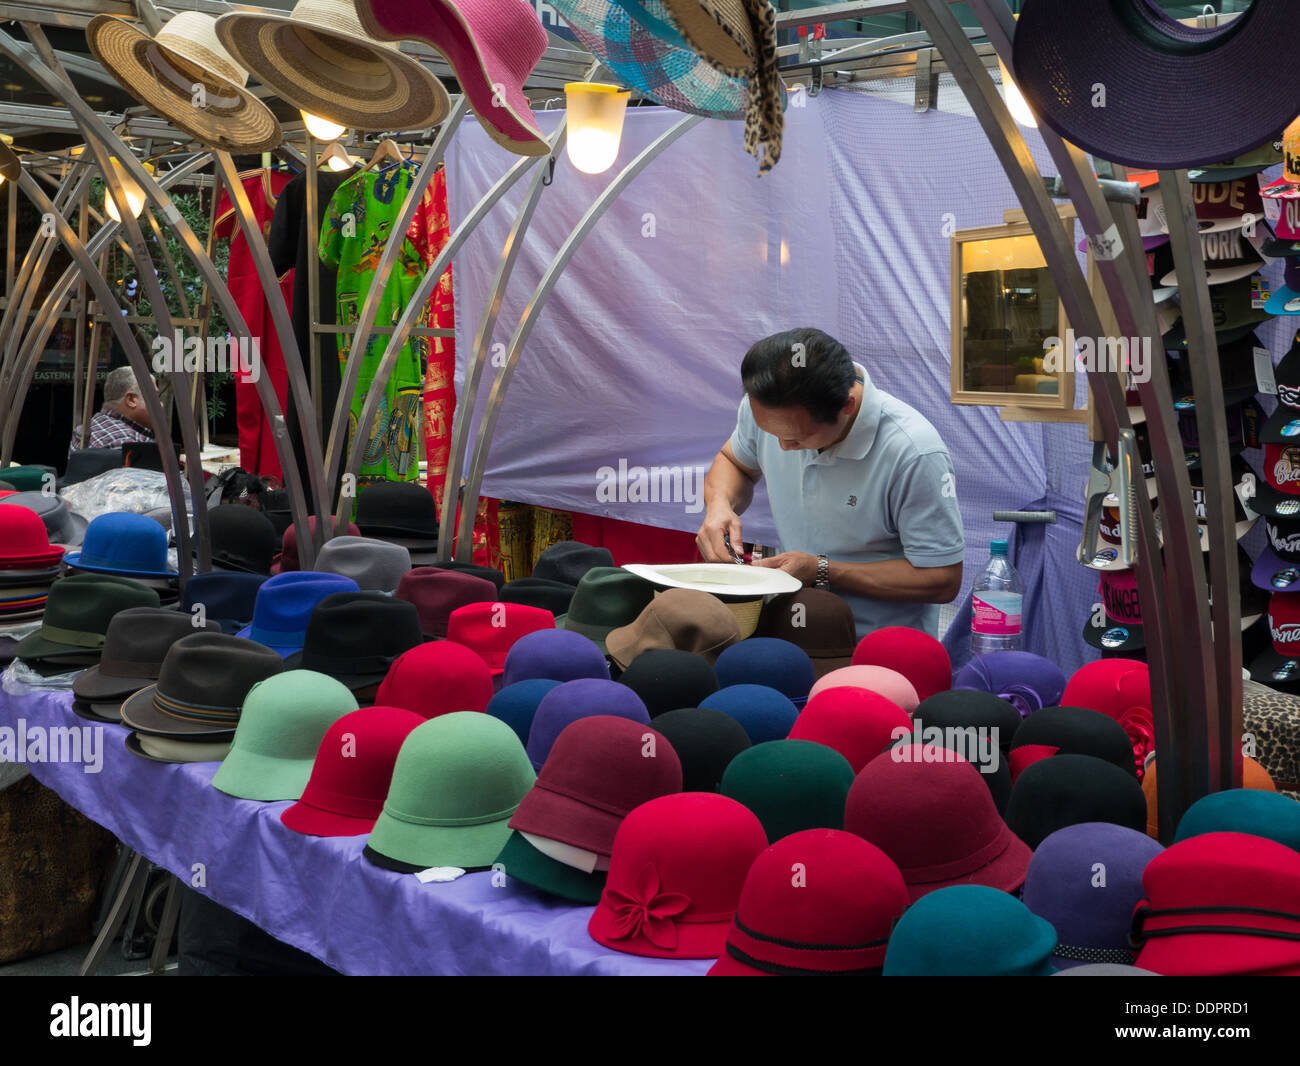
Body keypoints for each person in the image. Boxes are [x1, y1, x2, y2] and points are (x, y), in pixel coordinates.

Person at [697, 327, 965, 639]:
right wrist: (719, 506)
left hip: (876, 644)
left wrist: (822, 569)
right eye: (770, 431)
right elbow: (735, 462)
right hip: (793, 626)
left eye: (796, 439)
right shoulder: (770, 409)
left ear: (847, 407)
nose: (782, 447)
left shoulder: (913, 452)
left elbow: (942, 578)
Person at [68, 366, 156, 455]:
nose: (161, 405)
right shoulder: (126, 443)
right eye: (156, 397)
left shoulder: (86, 429)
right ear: (131, 400)